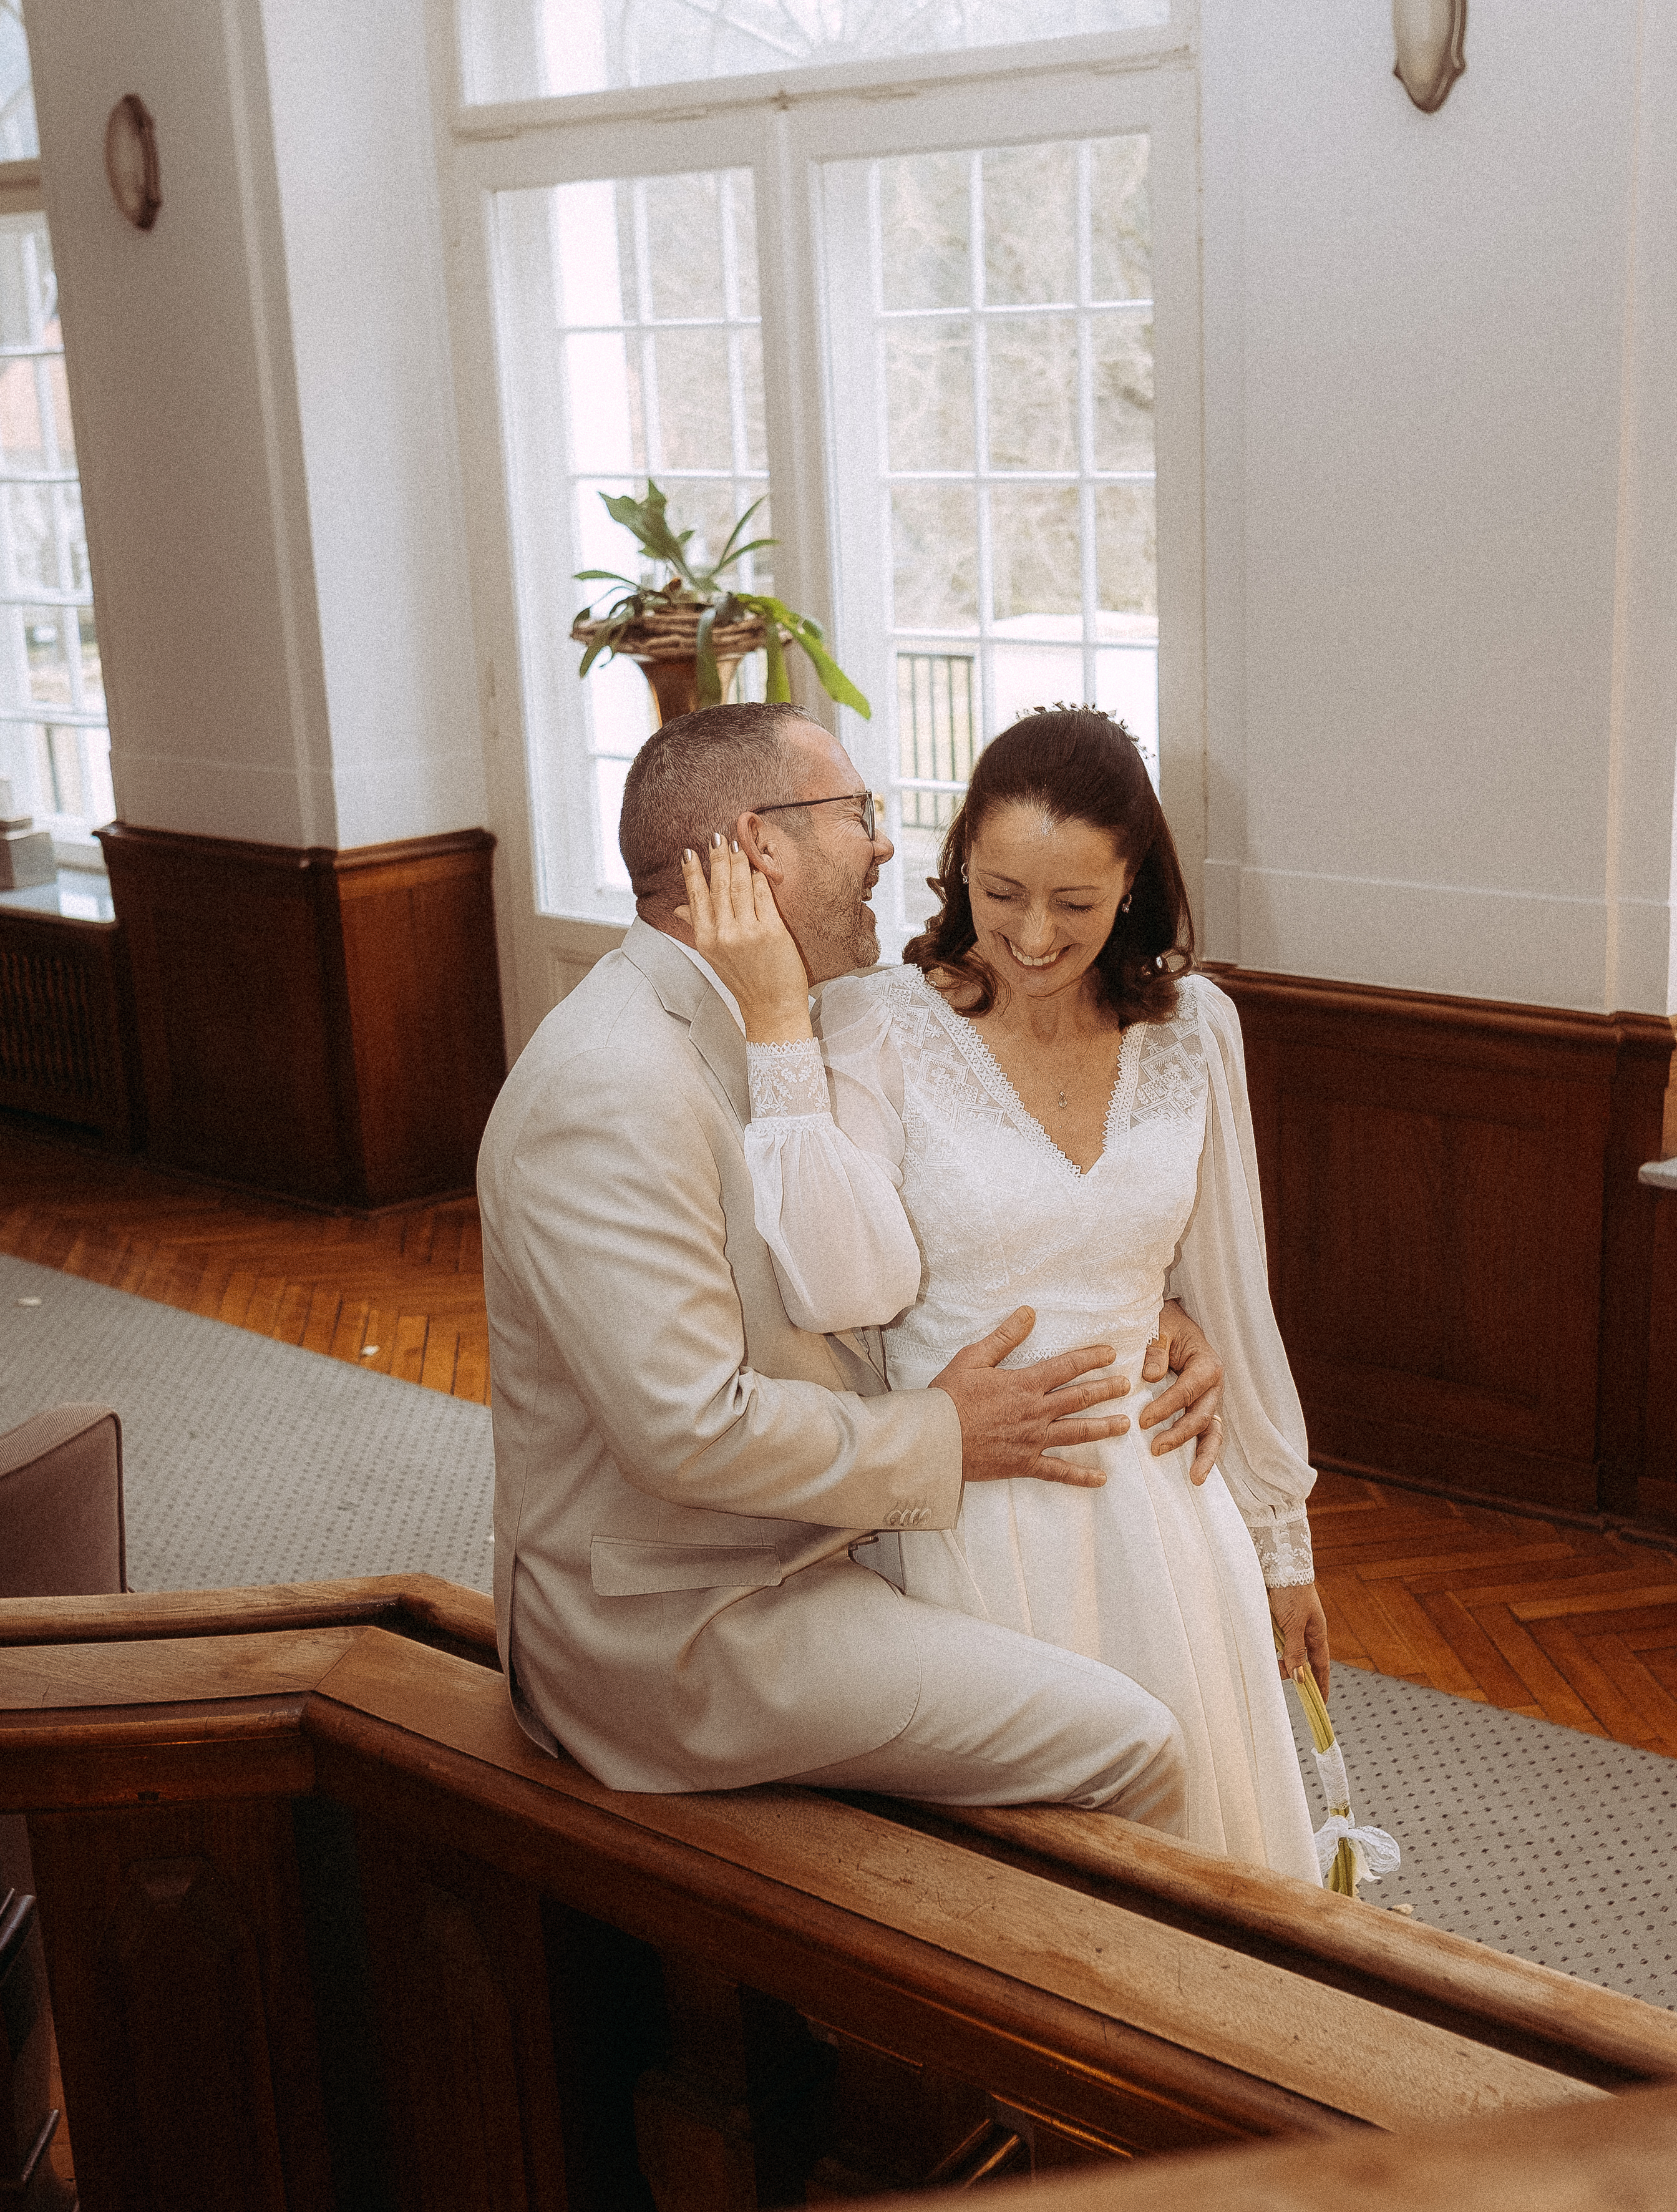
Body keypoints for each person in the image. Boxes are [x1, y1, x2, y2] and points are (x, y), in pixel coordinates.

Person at [479, 699, 1232, 1828]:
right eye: (855, 815)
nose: (887, 847)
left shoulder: (796, 1014)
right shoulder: (610, 1087)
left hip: (811, 1538)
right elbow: (689, 1431)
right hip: (690, 1618)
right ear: (754, 853)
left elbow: (937, 1212)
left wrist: (1152, 1305)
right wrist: (950, 1435)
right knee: (1130, 1745)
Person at [681, 705, 1328, 1873]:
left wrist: (1282, 1545)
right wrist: (782, 1029)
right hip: (974, 1514)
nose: (1032, 934)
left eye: (1075, 904)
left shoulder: (1198, 1030)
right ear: (958, 863)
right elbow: (832, 1284)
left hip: (1165, 1511)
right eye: (1001, 891)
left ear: (1134, 885)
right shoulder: (871, 1023)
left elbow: (1233, 1289)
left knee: (1202, 1867)